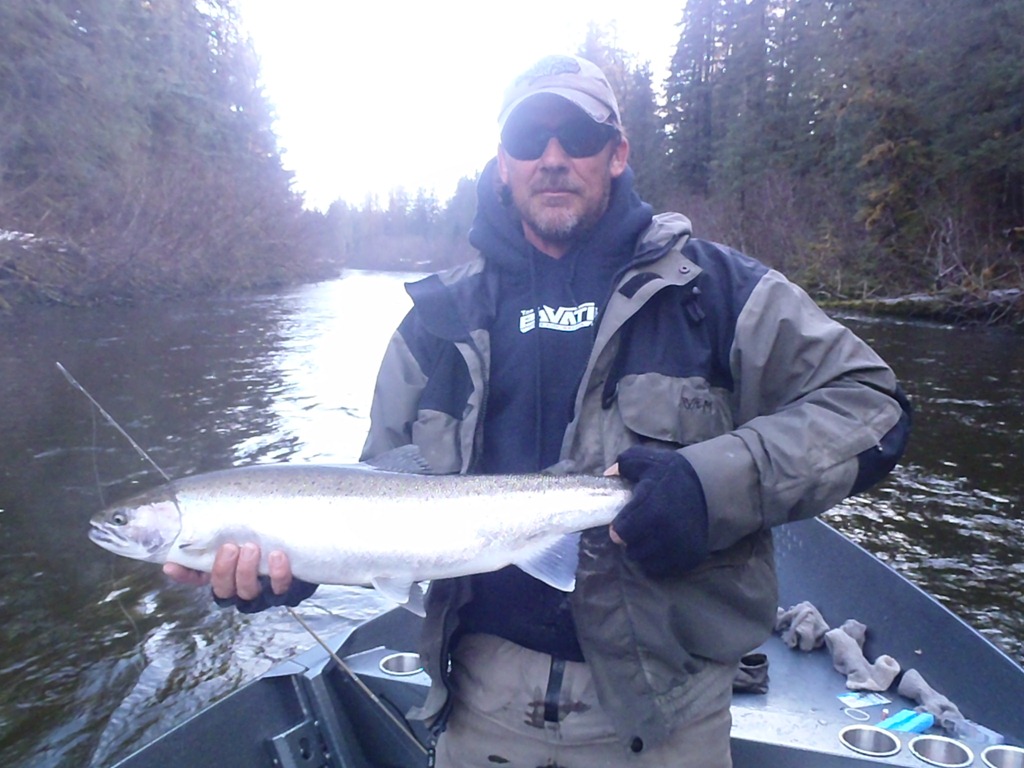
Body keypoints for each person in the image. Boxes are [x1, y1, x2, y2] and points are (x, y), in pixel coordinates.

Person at [166, 54, 912, 767]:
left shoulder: (714, 292)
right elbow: (373, 502)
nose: (552, 157)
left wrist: (709, 484)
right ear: (503, 162)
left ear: (617, 154)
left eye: (578, 136)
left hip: (669, 715)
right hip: (478, 707)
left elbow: (872, 405)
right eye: (529, 138)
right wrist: (292, 569)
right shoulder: (435, 322)